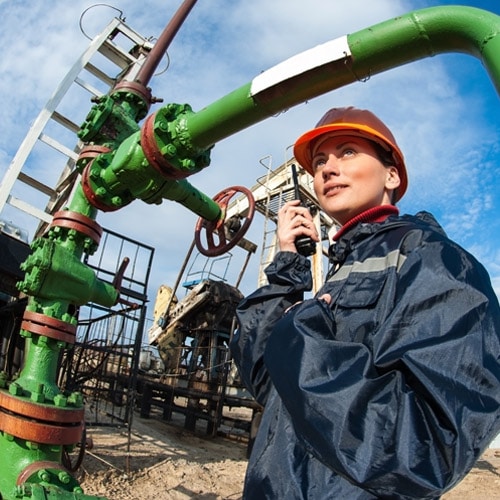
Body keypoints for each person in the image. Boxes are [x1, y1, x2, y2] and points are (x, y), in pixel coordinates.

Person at [230, 106, 500, 499]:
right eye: (320, 161)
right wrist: (287, 266)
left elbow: (427, 447)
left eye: (348, 152)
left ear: (392, 175)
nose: (327, 169)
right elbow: (268, 383)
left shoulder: (433, 260)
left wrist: (302, 338)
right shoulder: (341, 272)